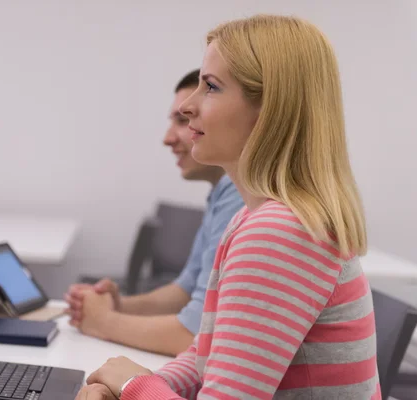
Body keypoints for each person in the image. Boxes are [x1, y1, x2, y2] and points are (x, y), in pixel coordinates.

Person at [77, 15, 381, 400]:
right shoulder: (256, 218)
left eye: (211, 88)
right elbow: (209, 356)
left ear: (270, 110)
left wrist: (135, 386)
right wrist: (135, 386)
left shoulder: (277, 233)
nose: (188, 106)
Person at [64, 70, 244, 356]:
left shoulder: (241, 197)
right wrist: (119, 306)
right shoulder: (223, 192)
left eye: (183, 121)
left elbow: (196, 337)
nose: (167, 138)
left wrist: (104, 322)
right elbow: (185, 291)